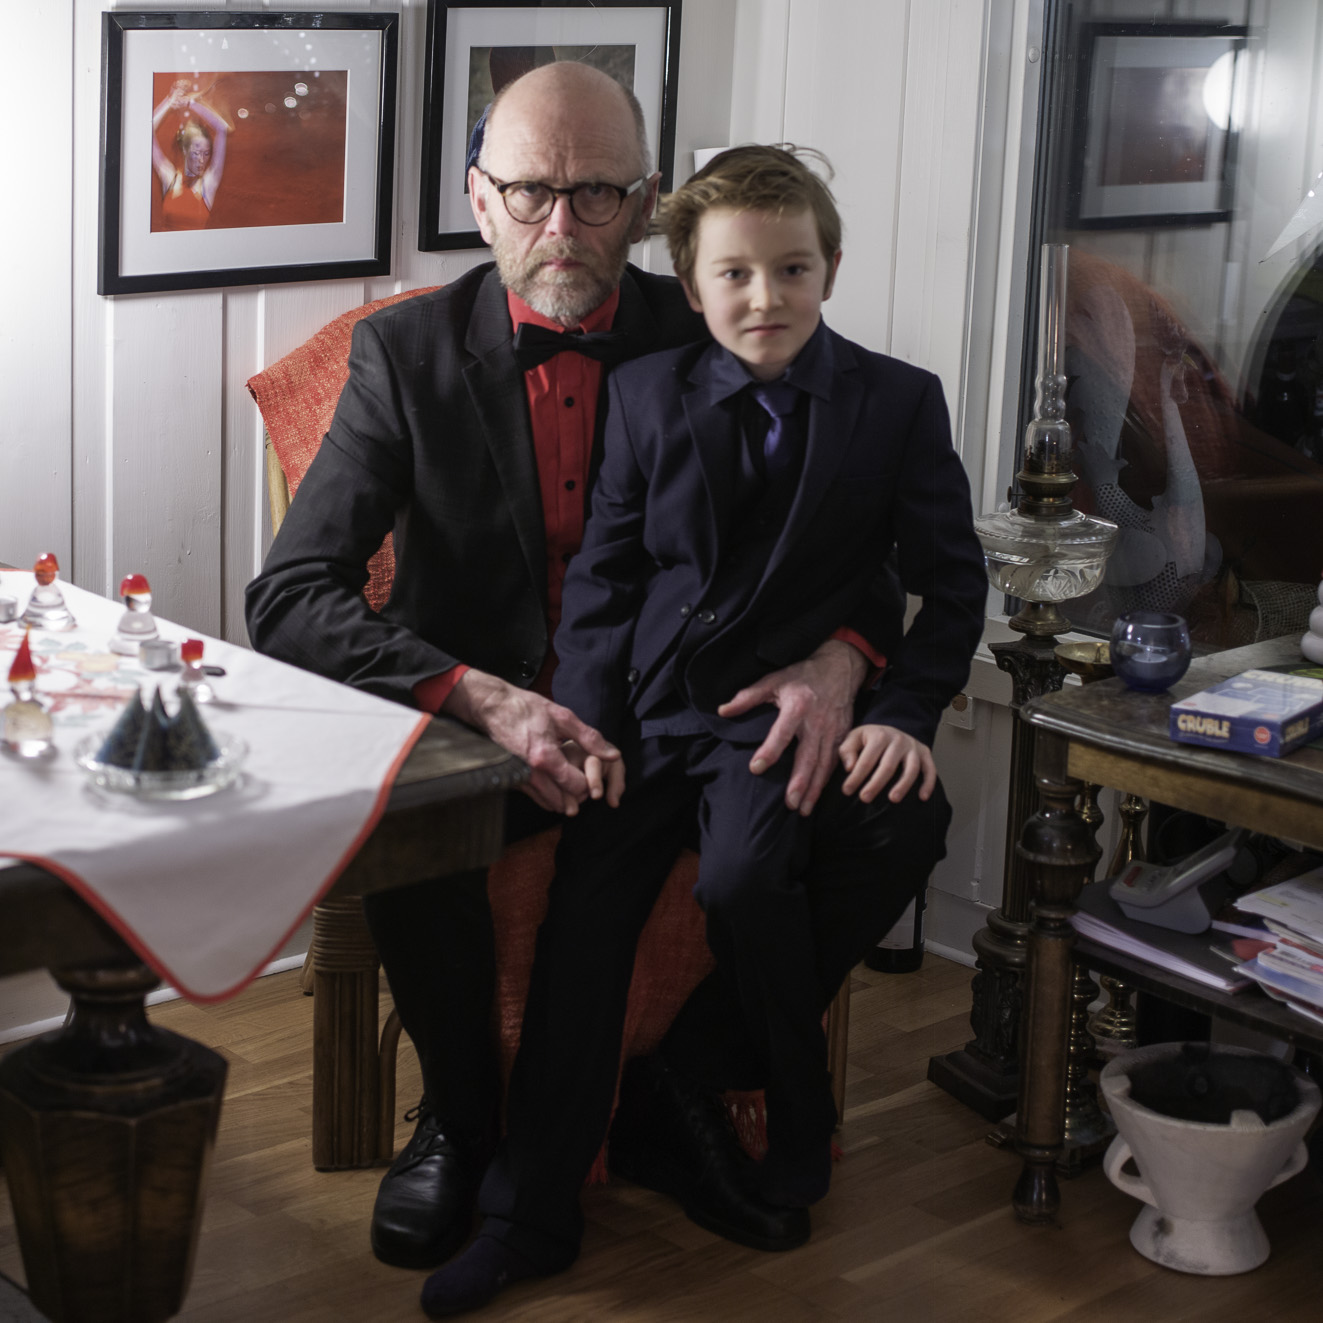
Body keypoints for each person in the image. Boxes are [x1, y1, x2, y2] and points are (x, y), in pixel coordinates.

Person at [245, 64, 896, 1288]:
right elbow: (291, 595)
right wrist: (479, 697)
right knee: (406, 813)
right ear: (479, 199)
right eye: (531, 192)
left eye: (596, 193)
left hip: (683, 713)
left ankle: (683, 1079)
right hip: (480, 718)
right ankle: (460, 1115)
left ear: (645, 203)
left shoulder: (718, 315)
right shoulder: (404, 354)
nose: (562, 225)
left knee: (888, 815)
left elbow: (859, 529)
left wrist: (836, 662)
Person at [418, 145, 987, 1317]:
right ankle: (529, 1218)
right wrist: (582, 725)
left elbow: (949, 584)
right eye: (734, 274)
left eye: (792, 270)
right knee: (584, 926)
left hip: (761, 722)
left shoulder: (896, 402)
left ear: (832, 267)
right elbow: (607, 579)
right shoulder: (647, 393)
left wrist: (901, 709)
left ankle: (779, 1106)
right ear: (690, 282)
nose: (765, 297)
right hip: (641, 715)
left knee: (742, 879)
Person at [152, 80, 228, 230]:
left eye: (206, 153)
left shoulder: (209, 183)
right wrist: (170, 101)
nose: (201, 160)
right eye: (196, 153)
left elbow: (222, 129)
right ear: (185, 150)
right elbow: (146, 131)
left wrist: (191, 103)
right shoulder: (169, 178)